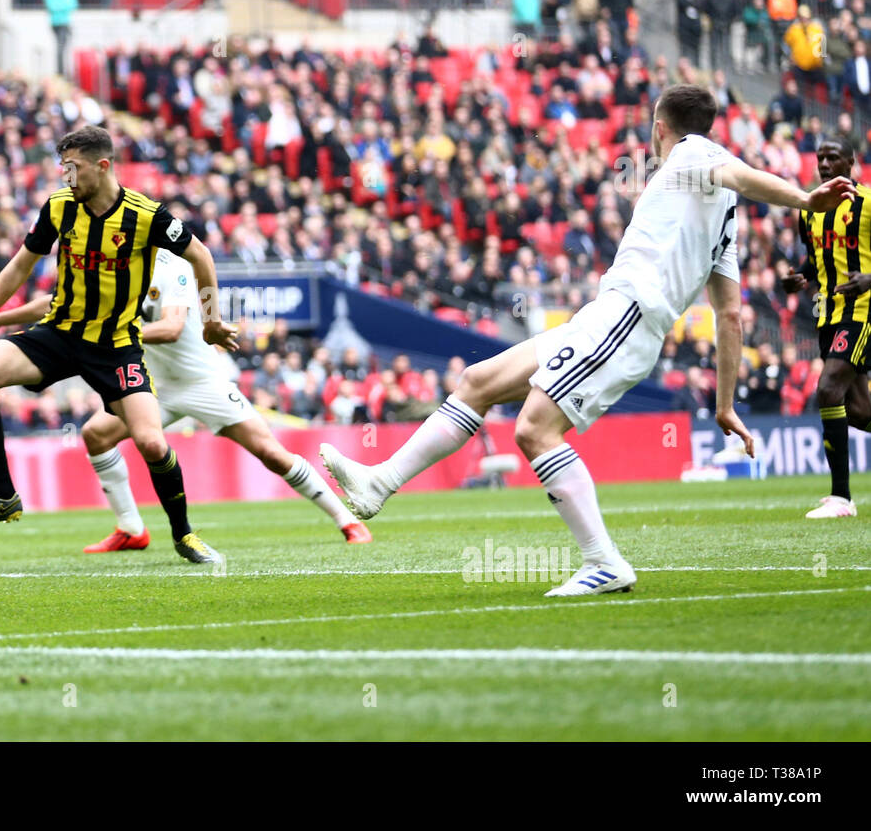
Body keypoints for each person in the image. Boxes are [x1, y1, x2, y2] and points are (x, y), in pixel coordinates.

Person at [320, 85, 855, 597]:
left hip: (625, 319)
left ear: (659, 128)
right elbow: (731, 315)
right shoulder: (722, 220)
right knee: (477, 382)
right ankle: (379, 483)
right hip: (607, 317)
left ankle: (603, 561)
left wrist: (806, 201)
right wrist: (724, 405)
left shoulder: (693, 154)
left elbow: (736, 173)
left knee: (534, 430)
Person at [0, 126, 239, 563]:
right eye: (63, 168)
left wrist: (211, 323)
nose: (67, 178)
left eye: (73, 168)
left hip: (116, 346)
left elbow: (202, 257)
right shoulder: (59, 208)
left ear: (102, 166)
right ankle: (4, 497)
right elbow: (19, 266)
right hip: (59, 333)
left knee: (153, 445)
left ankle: (184, 535)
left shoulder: (146, 215)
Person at [0, 250, 371, 552]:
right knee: (95, 435)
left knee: (271, 453)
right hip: (153, 385)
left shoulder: (172, 266)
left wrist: (110, 327)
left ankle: (346, 521)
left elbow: (171, 327)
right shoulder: (110, 264)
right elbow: (59, 304)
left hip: (201, 382)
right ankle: (131, 529)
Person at [780, 138, 871, 519]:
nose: (824, 164)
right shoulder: (810, 208)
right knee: (859, 410)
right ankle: (840, 497)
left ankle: (841, 498)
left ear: (851, 161)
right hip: (828, 315)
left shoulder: (867, 204)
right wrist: (799, 276)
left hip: (864, 311)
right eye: (820, 158)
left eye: (833, 157)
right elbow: (815, 257)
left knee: (828, 388)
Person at [43, 0, 78, 78]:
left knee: (64, 48)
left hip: (65, 24)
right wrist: (63, 6)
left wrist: (60, 6)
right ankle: (60, 72)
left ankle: (65, 71)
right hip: (57, 24)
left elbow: (73, 5)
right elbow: (52, 6)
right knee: (60, 48)